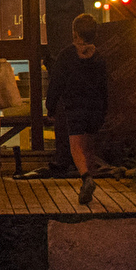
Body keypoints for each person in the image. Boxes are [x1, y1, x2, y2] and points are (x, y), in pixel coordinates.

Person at [47, 13, 108, 205]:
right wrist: (103, 110)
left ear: (75, 33)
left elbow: (56, 83)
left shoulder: (67, 55)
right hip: (95, 107)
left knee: (76, 146)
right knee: (88, 145)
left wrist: (50, 107)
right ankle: (89, 179)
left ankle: (86, 178)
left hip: (74, 106)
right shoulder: (99, 57)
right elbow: (104, 86)